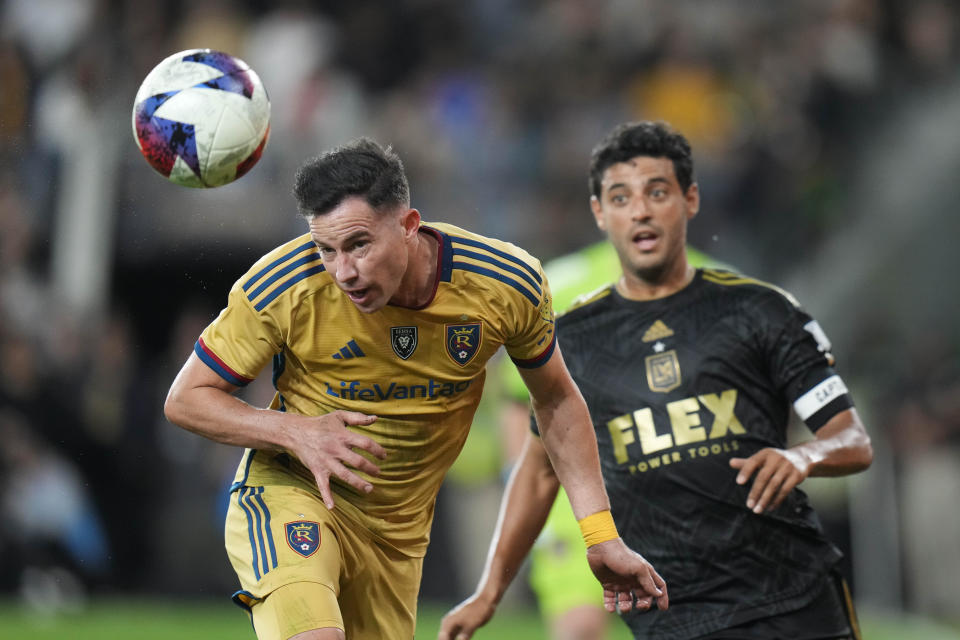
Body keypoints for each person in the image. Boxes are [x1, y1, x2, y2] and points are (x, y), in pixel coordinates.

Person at [163, 138, 668, 640]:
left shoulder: (504, 284)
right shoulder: (281, 286)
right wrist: (296, 432)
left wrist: (600, 534)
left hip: (397, 533)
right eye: (325, 249)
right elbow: (186, 398)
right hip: (293, 495)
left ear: (408, 226)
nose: (343, 271)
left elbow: (555, 399)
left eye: (359, 244)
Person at [439, 121, 873, 640]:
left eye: (657, 192)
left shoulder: (761, 311)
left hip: (792, 599)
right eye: (620, 198)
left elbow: (853, 440)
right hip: (671, 614)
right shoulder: (571, 341)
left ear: (690, 200)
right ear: (600, 213)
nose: (640, 210)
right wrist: (489, 592)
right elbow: (538, 473)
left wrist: (804, 457)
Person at [494, 241, 725, 640]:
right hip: (577, 491)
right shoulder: (559, 281)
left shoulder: (720, 287)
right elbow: (520, 397)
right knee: (578, 627)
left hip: (679, 491)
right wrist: (518, 480)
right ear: (600, 206)